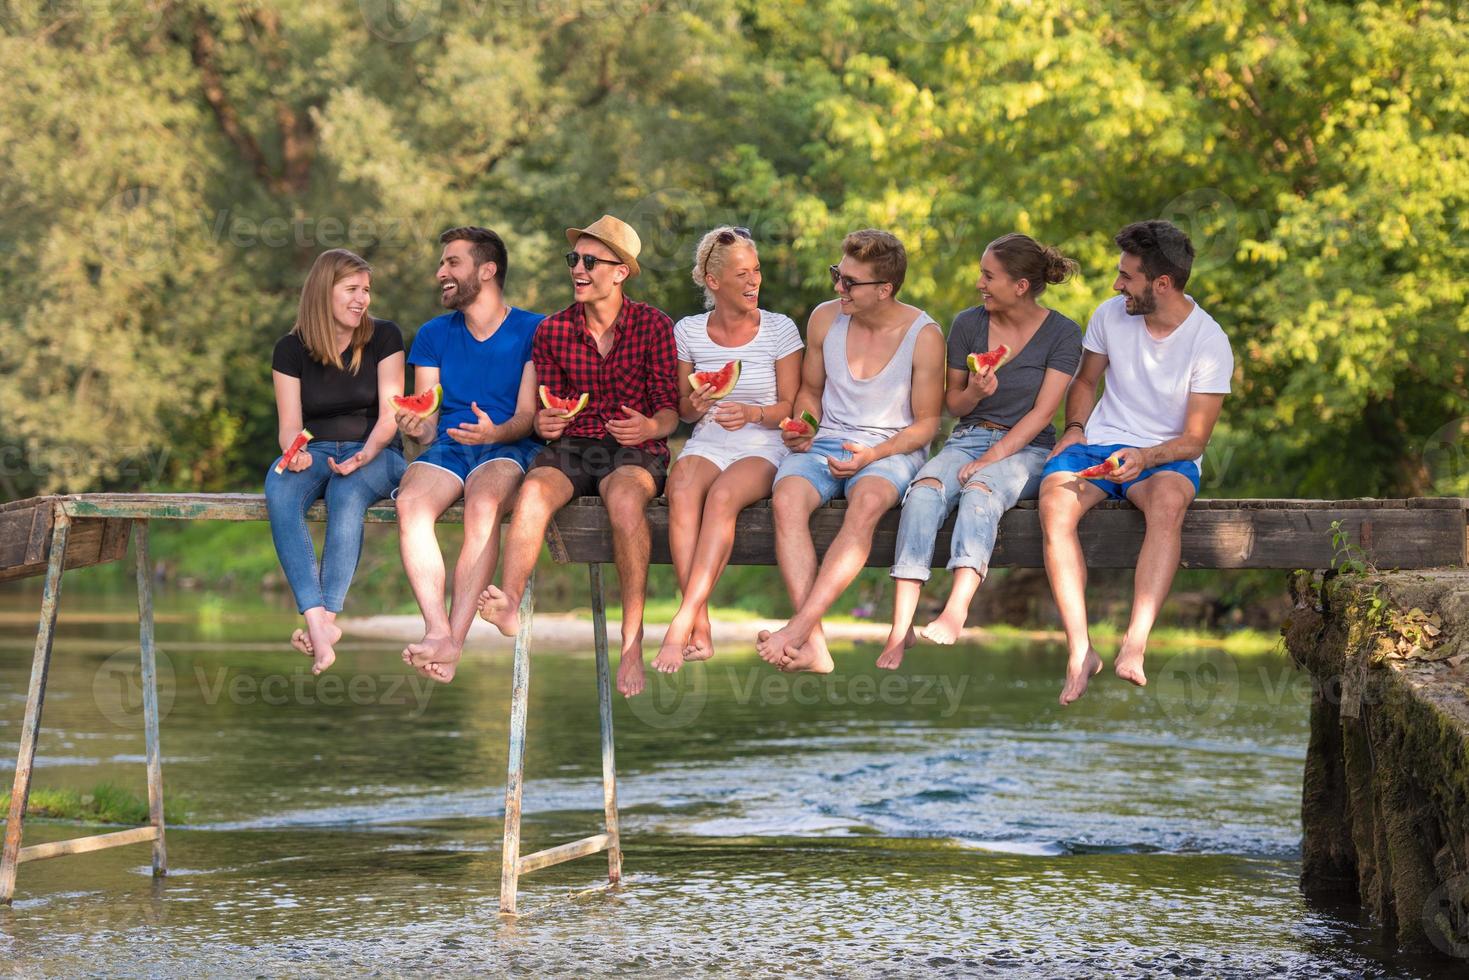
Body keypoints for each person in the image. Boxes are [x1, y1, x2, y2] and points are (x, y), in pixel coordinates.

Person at [468, 215, 679, 697]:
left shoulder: (653, 325)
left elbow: (670, 412)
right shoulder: (553, 331)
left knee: (626, 503)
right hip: (573, 444)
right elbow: (548, 409)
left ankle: (631, 641)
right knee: (535, 492)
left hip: (634, 447)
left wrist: (650, 426)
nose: (578, 270)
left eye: (589, 261)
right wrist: (545, 422)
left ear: (620, 271)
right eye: (574, 260)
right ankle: (511, 603)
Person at [1039, 220, 1234, 705]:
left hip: (1164, 457)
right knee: (1054, 505)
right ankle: (1079, 649)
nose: (1116, 285)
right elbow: (1084, 384)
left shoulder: (1209, 342)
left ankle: (1134, 643)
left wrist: (1145, 456)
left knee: (1168, 503)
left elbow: (1194, 440)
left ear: (1161, 284)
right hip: (1098, 443)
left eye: (1127, 276)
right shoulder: (1109, 315)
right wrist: (1076, 429)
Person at [878, 234, 1083, 669]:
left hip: (1028, 448)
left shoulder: (1063, 333)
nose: (980, 284)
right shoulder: (968, 324)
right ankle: (901, 625)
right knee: (925, 490)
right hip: (968, 435)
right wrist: (973, 392)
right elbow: (952, 404)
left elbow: (1044, 413)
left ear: (1021, 285)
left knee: (981, 492)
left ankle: (956, 609)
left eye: (989, 276)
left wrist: (991, 460)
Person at [755, 229, 945, 673]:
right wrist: (803, 426)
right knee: (786, 500)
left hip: (892, 450)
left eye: (849, 282)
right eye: (837, 275)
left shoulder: (924, 335)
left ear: (885, 289)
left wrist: (872, 456)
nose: (838, 288)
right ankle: (814, 644)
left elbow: (926, 424)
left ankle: (797, 629)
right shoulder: (824, 319)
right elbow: (810, 391)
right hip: (825, 442)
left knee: (867, 503)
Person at [393, 227, 543, 683]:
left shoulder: (535, 329)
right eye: (442, 264)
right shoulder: (433, 334)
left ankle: (454, 641)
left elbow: (528, 416)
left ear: (487, 269)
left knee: (483, 504)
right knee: (410, 503)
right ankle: (436, 628)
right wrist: (418, 426)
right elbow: (429, 421)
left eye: (452, 263)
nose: (441, 272)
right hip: (450, 445)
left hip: (510, 445)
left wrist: (495, 432)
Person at [651, 226, 803, 675]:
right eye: (742, 273)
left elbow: (790, 407)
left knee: (721, 499)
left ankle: (682, 618)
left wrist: (754, 415)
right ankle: (701, 623)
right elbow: (682, 407)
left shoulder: (779, 328)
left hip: (765, 443)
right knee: (680, 490)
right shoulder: (689, 331)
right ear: (713, 281)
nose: (754, 281)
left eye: (756, 271)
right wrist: (695, 404)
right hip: (710, 440)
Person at [266, 248, 407, 676]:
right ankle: (316, 619)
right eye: (351, 289)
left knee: (347, 493)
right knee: (278, 490)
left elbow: (390, 414)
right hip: (318, 450)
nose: (362, 298)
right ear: (322, 292)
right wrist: (294, 454)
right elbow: (290, 425)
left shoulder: (385, 337)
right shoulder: (290, 349)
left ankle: (328, 621)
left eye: (366, 290)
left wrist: (367, 452)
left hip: (378, 449)